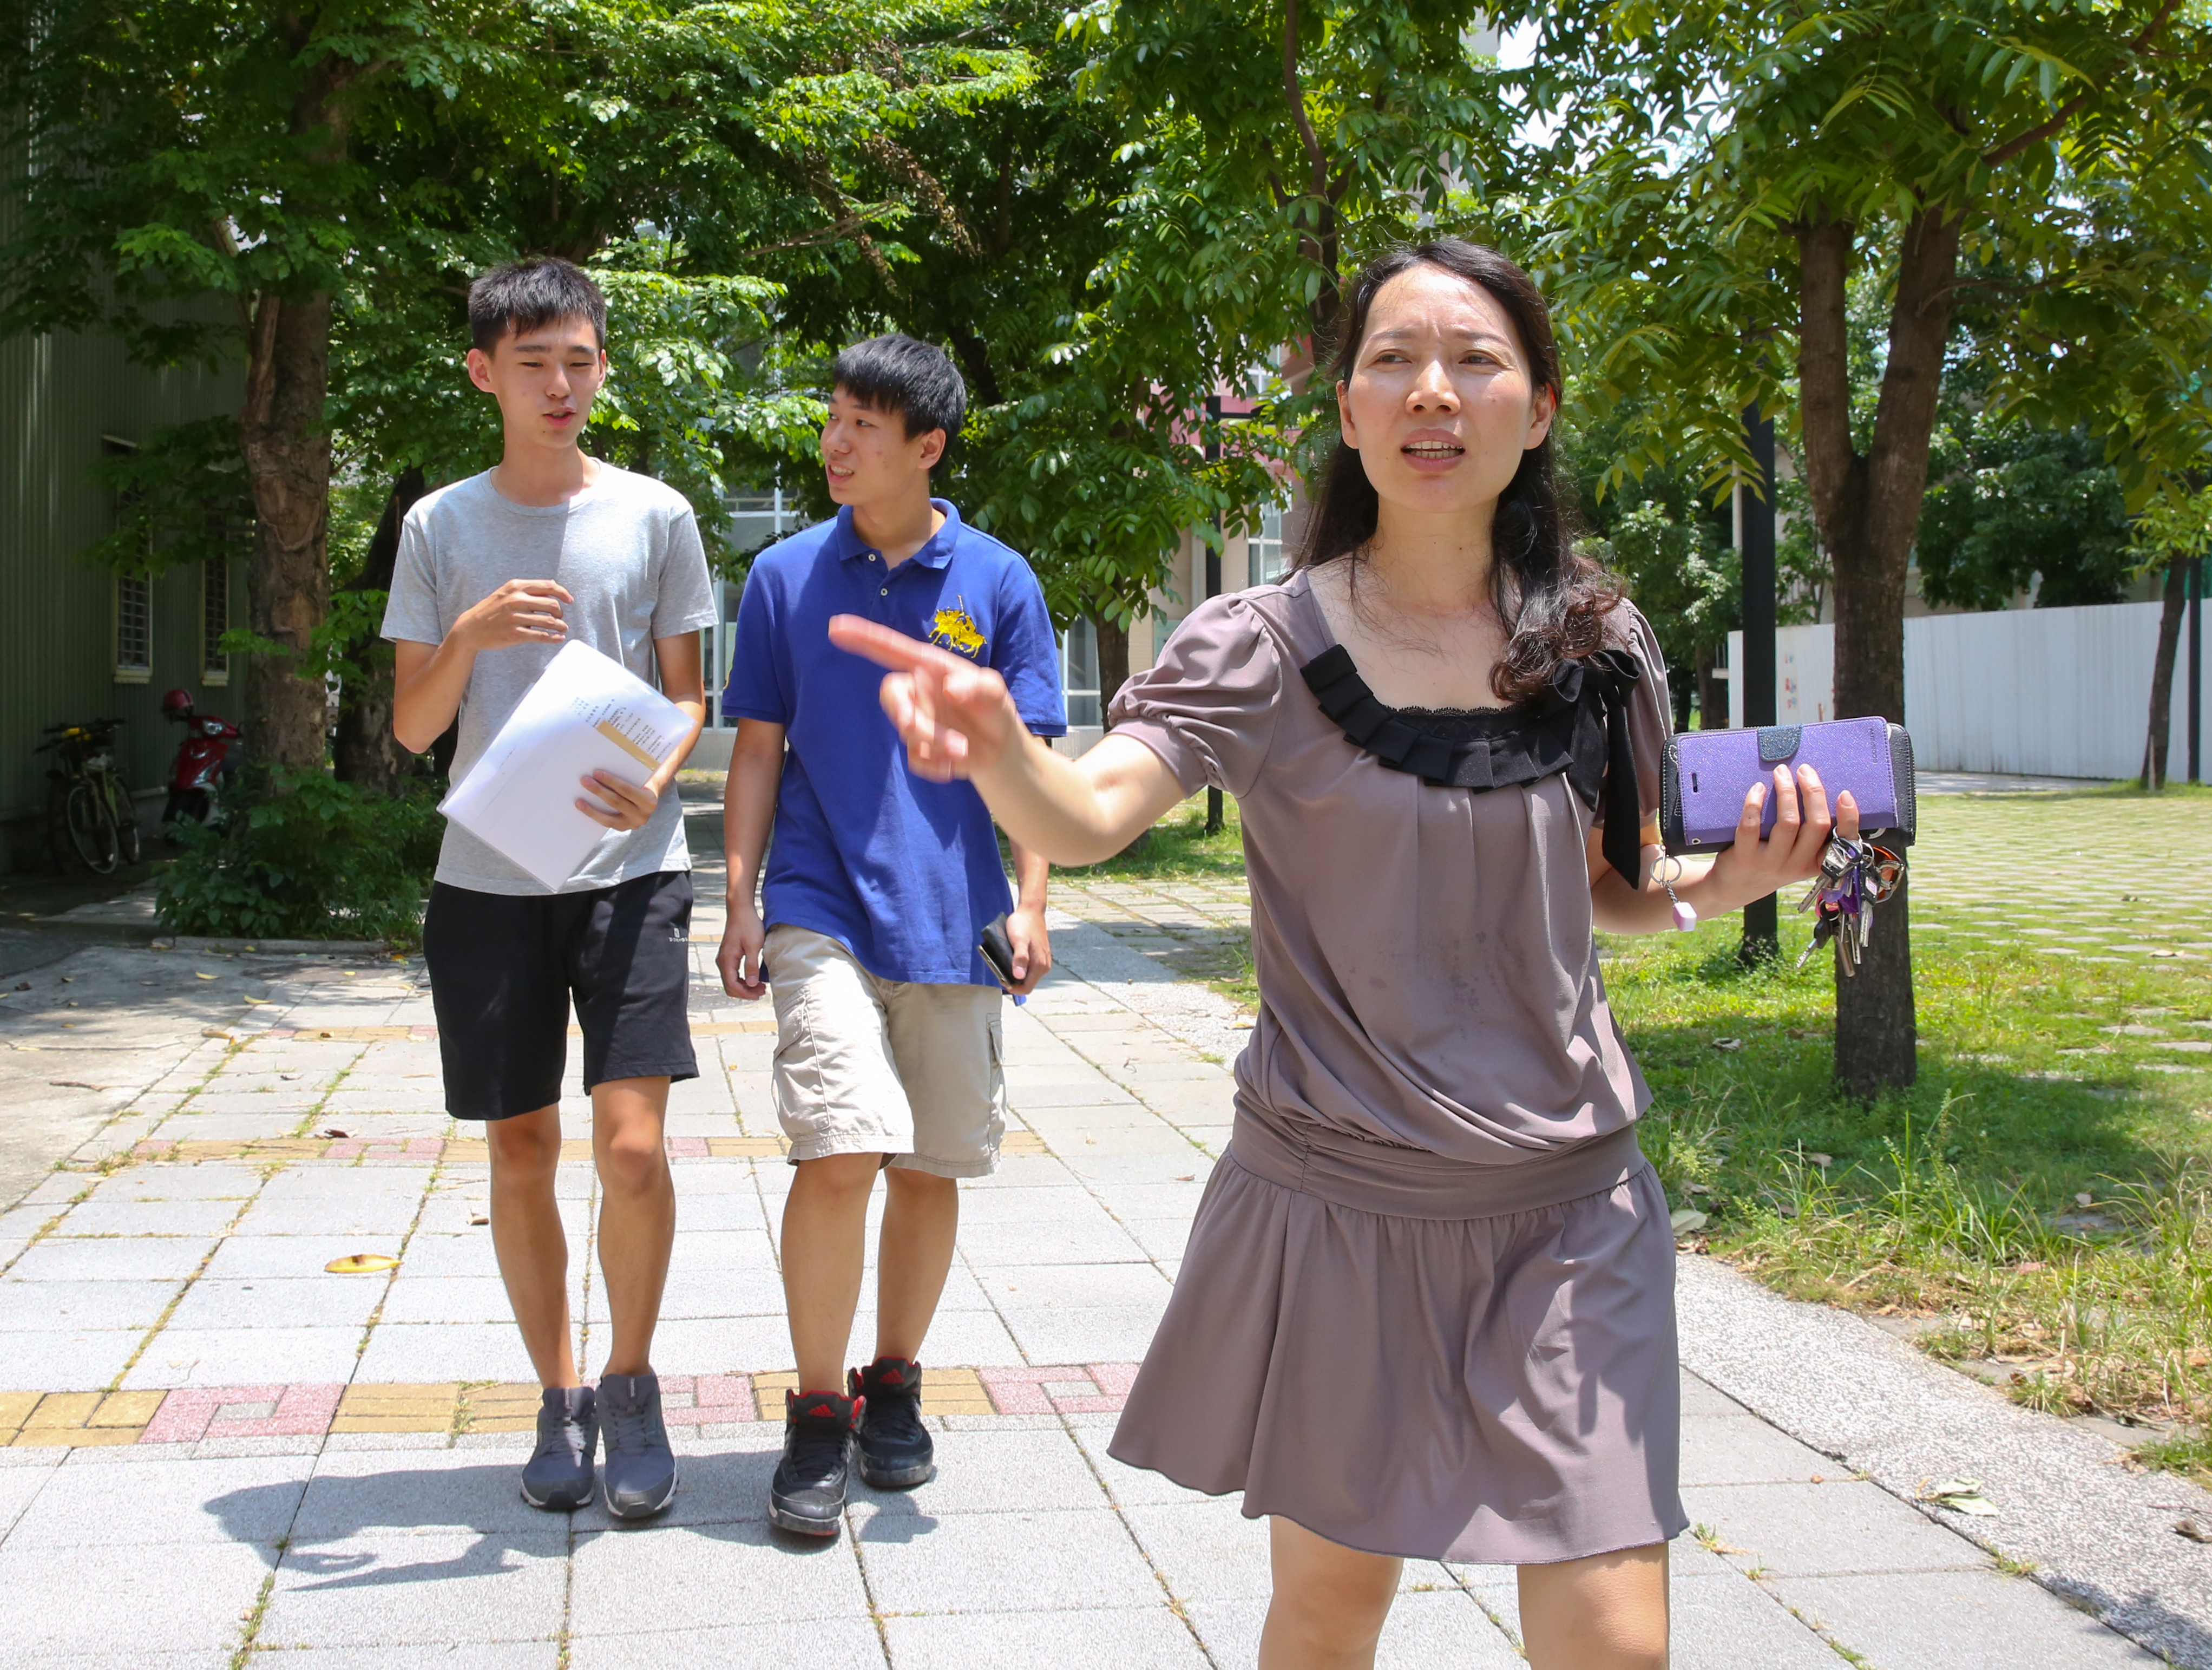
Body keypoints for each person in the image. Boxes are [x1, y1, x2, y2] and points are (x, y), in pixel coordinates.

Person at [831, 239, 1856, 1668]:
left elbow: (1614, 885)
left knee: (1618, 1637)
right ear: (1351, 409)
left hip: (1570, 1203)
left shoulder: (1600, 638)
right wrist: (1006, 754)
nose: (1433, 389)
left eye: (1475, 359)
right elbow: (1094, 807)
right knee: (1329, 1613)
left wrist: (1723, 880)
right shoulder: (1256, 644)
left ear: (1541, 406)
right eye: (1393, 359)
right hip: (1342, 1203)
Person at [713, 334, 1065, 1536]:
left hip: (958, 914)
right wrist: (741, 894)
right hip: (821, 902)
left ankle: (894, 1384)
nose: (835, 442)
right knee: (840, 1144)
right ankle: (818, 1412)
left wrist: (1034, 898)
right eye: (831, 420)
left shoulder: (1001, 583)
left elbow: (1035, 758)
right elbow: (759, 745)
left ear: (928, 446)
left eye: (864, 424)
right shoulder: (784, 578)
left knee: (929, 1164)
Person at [385, 257, 714, 1520]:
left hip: (631, 870)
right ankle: (559, 1393)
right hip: (487, 878)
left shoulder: (655, 514)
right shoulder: (441, 526)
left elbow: (688, 696)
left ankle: (632, 1383)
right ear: (485, 373)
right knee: (520, 1144)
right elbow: (414, 730)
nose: (563, 384)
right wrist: (467, 635)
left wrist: (660, 774)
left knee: (633, 1148)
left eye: (580, 360)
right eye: (535, 364)